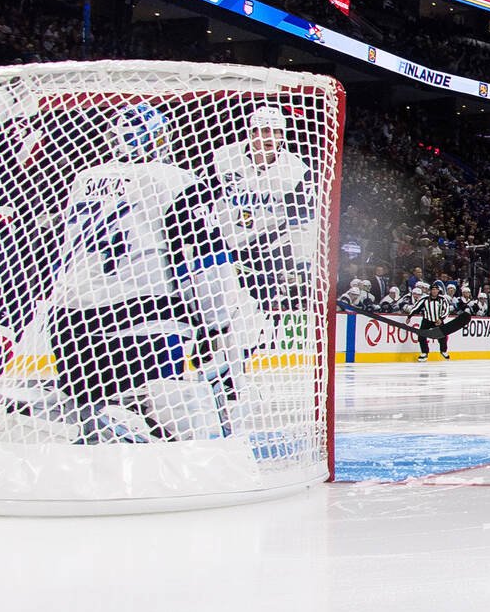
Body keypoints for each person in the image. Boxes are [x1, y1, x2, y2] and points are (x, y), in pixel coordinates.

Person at [48, 102, 263, 442]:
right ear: (159, 139)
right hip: (145, 317)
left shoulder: (82, 180)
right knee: (171, 434)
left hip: (68, 323)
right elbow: (205, 258)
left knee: (93, 429)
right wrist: (217, 323)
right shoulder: (174, 180)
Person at [210, 106, 314, 309]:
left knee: (259, 314)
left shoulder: (296, 171)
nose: (272, 137)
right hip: (221, 245)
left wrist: (300, 263)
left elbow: (302, 221)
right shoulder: (223, 158)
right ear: (252, 132)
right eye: (266, 130)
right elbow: (204, 198)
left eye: (277, 132)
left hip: (263, 252)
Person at [412, 282, 453, 361]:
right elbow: (416, 308)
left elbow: (446, 310)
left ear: (438, 291)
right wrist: (410, 316)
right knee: (421, 336)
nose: (434, 291)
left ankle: (443, 351)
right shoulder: (425, 299)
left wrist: (441, 319)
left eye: (436, 289)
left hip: (438, 320)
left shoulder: (442, 299)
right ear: (430, 291)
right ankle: (424, 353)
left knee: (442, 336)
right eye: (433, 289)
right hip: (427, 320)